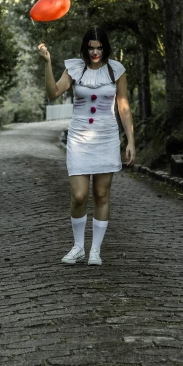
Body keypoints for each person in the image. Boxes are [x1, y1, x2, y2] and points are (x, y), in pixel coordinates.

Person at [38, 26, 135, 266]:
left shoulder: (116, 71)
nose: (95, 52)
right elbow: (53, 92)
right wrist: (47, 63)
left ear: (105, 47)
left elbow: (123, 107)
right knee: (79, 195)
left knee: (101, 194)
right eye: (91, 48)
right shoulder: (75, 68)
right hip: (80, 137)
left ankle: (95, 250)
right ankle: (78, 247)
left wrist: (131, 140)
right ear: (85, 47)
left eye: (99, 47)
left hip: (106, 136)